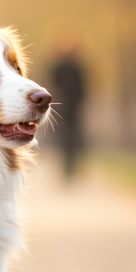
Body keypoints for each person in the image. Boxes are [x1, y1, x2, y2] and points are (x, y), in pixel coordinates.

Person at [51, 42, 87, 182]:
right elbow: (53, 86)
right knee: (63, 139)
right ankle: (66, 168)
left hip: (74, 107)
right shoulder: (57, 67)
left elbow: (83, 87)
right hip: (61, 108)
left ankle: (74, 167)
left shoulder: (78, 67)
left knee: (75, 138)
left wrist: (80, 102)